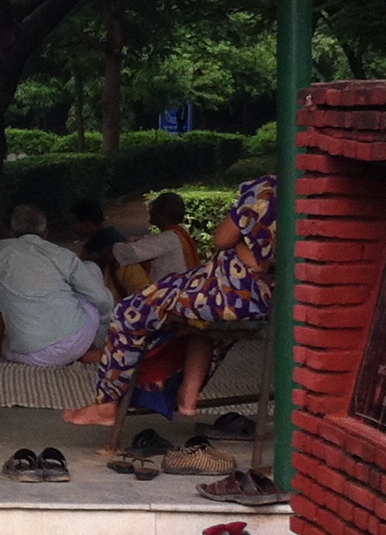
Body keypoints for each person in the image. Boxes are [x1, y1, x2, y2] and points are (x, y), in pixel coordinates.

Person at [66, 176, 278, 429]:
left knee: (129, 310)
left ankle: (106, 403)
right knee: (199, 325)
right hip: (264, 298)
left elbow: (222, 239)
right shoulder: (315, 204)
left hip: (230, 291)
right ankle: (187, 399)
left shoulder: (270, 190)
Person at [0, 204, 116, 366]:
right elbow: (102, 299)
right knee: (90, 269)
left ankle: (81, 350)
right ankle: (89, 349)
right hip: (77, 341)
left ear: (11, 232)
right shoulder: (62, 254)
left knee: (10, 345)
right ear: (46, 232)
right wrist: (104, 328)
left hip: (33, 355)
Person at [111, 190, 201, 295]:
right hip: (173, 291)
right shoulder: (179, 232)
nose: (150, 211)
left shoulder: (169, 238)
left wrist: (110, 250)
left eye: (154, 208)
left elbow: (130, 253)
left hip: (166, 296)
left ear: (162, 213)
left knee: (122, 265)